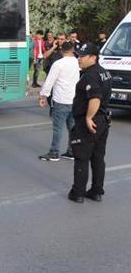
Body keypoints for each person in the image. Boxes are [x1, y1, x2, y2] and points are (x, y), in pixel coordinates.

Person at [67, 42, 112, 203]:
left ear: (93, 57)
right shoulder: (104, 72)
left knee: (81, 157)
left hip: (89, 123)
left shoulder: (91, 75)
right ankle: (96, 191)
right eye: (78, 55)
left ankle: (78, 193)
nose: (79, 59)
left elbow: (95, 98)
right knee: (98, 158)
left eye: (83, 56)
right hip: (103, 121)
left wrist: (88, 118)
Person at [38, 41, 79, 162]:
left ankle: (54, 152)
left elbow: (50, 81)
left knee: (58, 128)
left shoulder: (58, 64)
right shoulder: (78, 62)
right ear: (73, 50)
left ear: (61, 51)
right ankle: (72, 151)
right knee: (73, 128)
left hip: (61, 99)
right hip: (74, 99)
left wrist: (43, 96)